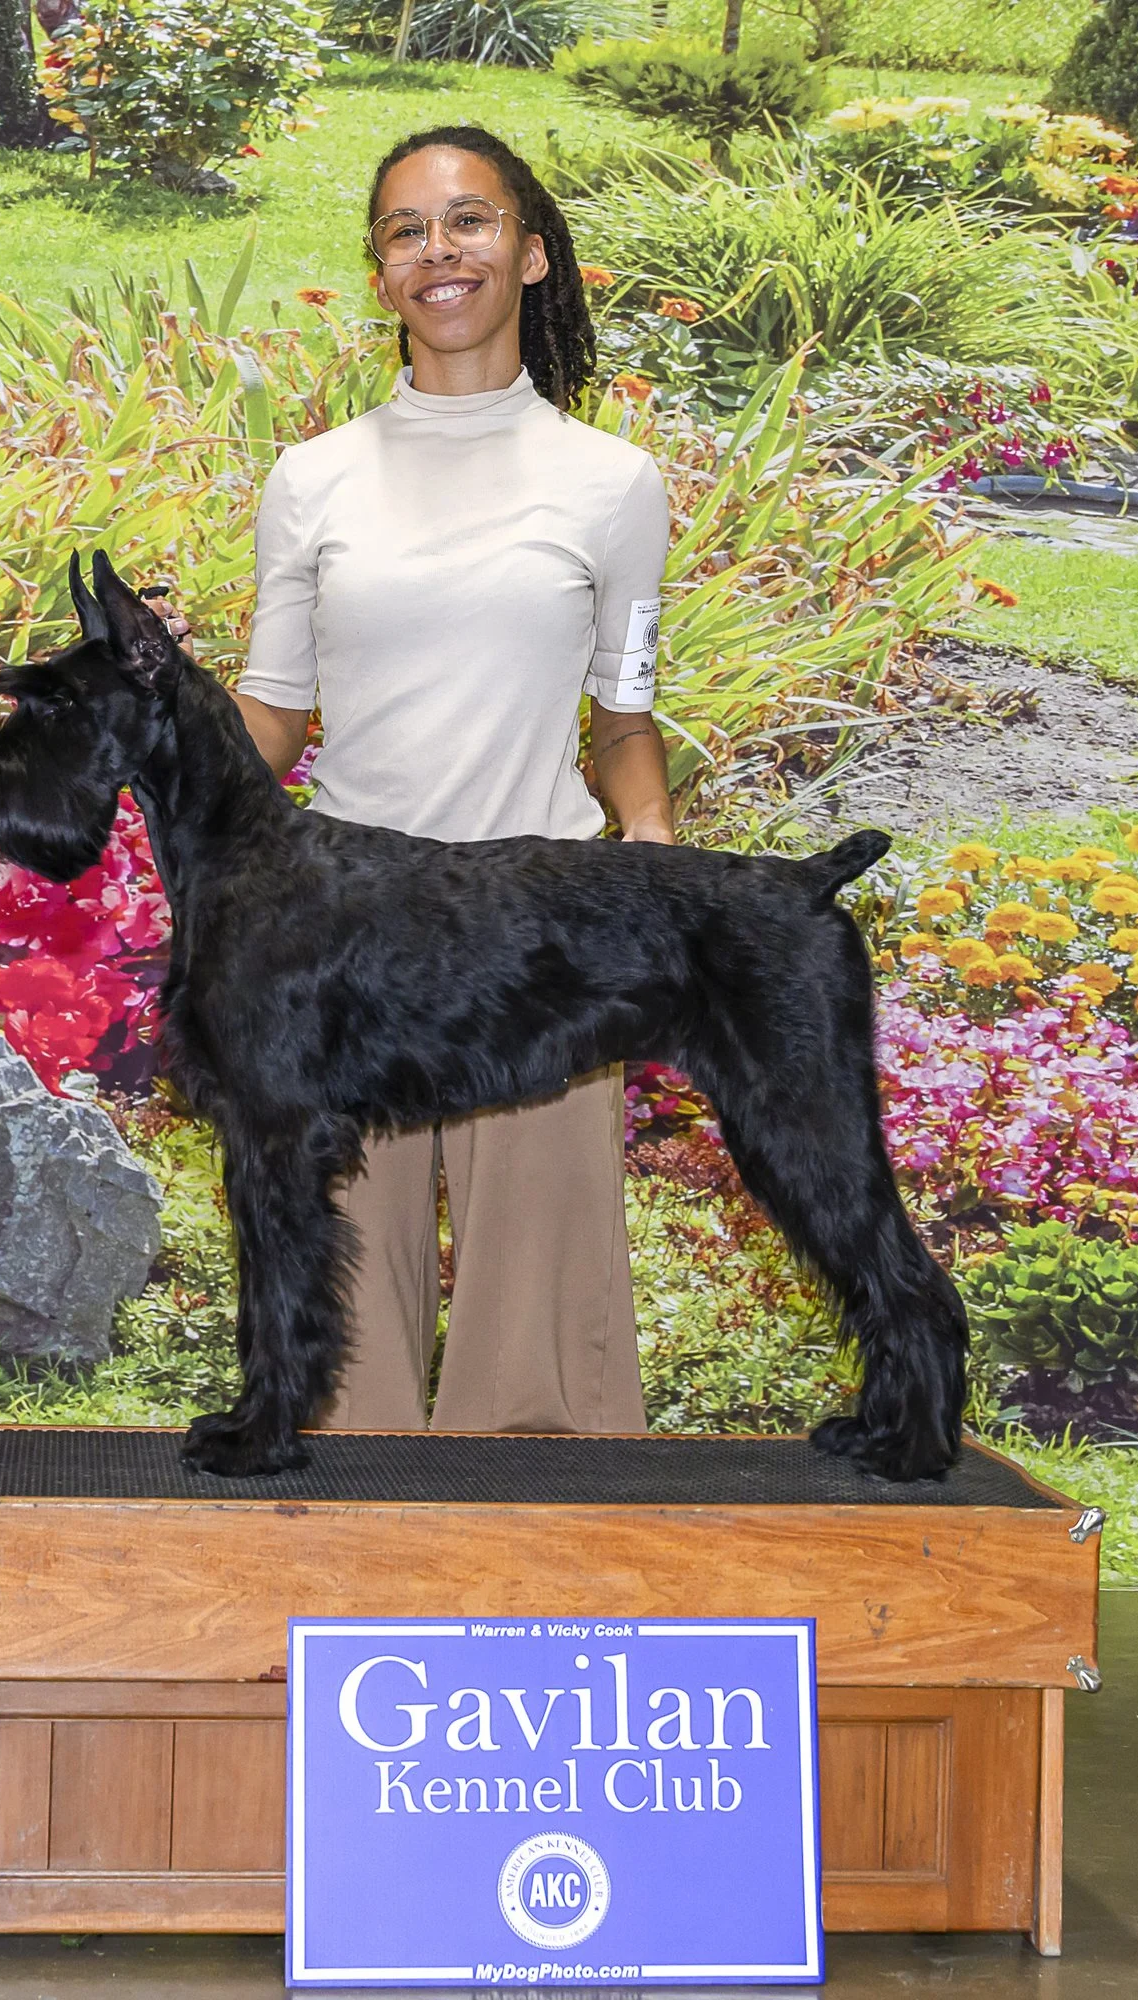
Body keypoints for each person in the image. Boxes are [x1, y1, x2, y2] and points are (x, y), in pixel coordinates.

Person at [231, 125, 673, 1437]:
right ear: (379, 274)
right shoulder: (312, 481)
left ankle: (547, 1591)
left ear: (529, 255)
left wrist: (647, 837)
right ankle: (335, 1584)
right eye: (406, 230)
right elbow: (272, 713)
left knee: (539, 1355)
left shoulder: (614, 486)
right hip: (344, 940)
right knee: (338, 1319)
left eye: (469, 221)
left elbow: (626, 719)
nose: (440, 250)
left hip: (539, 934)